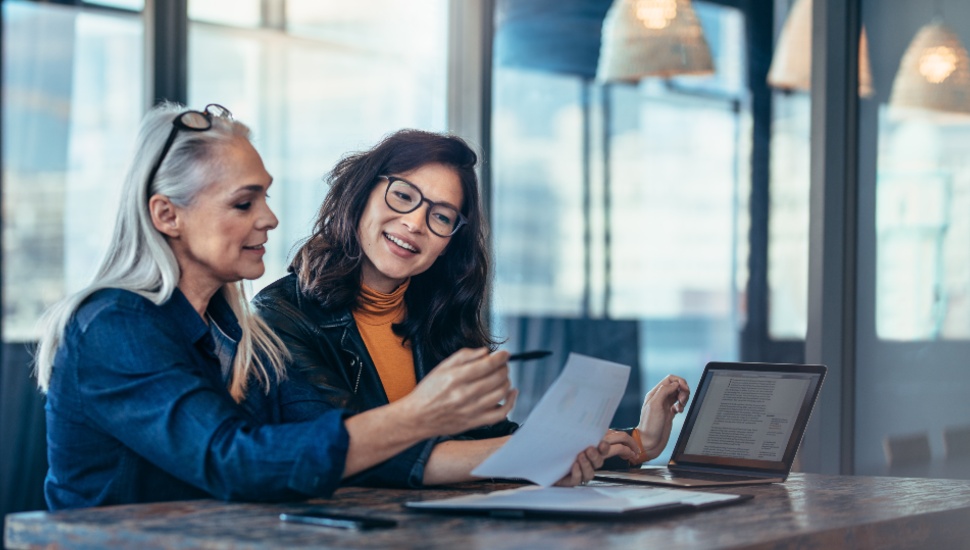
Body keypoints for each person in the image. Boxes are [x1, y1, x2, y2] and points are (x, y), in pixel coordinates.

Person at [34, 104, 609, 511]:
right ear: (167, 215)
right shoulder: (114, 325)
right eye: (244, 201)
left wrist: (578, 448)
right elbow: (237, 463)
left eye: (265, 195)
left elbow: (315, 447)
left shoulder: (233, 332)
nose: (269, 218)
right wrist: (420, 414)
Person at [252, 129, 691, 487]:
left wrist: (638, 441)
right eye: (403, 196)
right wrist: (540, 454)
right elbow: (351, 453)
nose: (415, 223)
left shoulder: (436, 317)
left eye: (441, 216)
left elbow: (487, 441)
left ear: (449, 244)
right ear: (362, 194)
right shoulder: (280, 316)